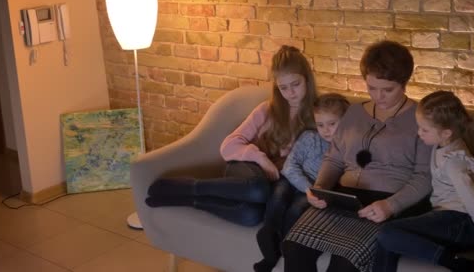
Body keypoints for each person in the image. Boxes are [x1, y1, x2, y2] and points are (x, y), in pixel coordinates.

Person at [282, 41, 432, 272]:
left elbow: (424, 176)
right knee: (293, 247)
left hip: (388, 204)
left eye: (387, 89)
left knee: (344, 263)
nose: (378, 96)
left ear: (404, 83)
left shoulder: (422, 119)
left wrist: (391, 206)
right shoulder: (353, 112)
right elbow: (334, 158)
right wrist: (320, 188)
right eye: (372, 87)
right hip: (344, 199)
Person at [145, 45, 317, 226]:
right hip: (246, 170)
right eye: (283, 87)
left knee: (251, 216)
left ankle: (187, 200)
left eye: (296, 85)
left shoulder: (319, 117)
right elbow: (228, 146)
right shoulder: (267, 110)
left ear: (307, 80)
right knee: (259, 191)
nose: (290, 93)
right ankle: (191, 187)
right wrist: (261, 158)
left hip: (272, 183)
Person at [373, 91, 474, 272]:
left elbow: (473, 201)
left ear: (446, 133)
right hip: (445, 218)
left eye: (424, 129)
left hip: (461, 224)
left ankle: (455, 263)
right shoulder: (441, 144)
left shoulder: (454, 161)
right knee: (387, 238)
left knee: (386, 233)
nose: (419, 133)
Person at [254, 93, 350, 272]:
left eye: (332, 124)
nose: (326, 130)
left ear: (345, 121)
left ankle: (283, 247)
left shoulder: (347, 147)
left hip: (314, 191)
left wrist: (312, 191)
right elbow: (289, 166)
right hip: (293, 180)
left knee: (296, 209)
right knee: (278, 197)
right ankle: (269, 234)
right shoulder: (309, 137)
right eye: (320, 124)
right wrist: (307, 187)